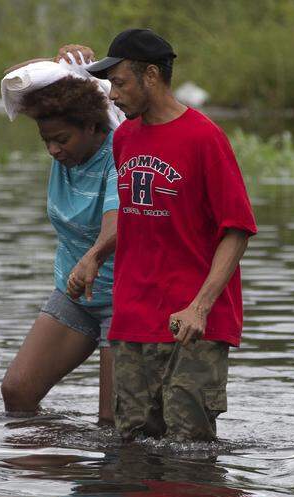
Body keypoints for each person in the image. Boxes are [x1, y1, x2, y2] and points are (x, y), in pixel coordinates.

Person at [56, 29, 257, 442]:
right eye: (110, 83)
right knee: (132, 447)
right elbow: (134, 215)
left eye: (120, 82)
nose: (112, 95)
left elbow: (236, 230)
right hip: (132, 320)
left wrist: (199, 306)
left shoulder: (204, 138)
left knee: (190, 450)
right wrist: (95, 255)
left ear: (151, 75)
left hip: (191, 323)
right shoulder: (124, 138)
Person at [0, 68, 120, 422]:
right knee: (18, 391)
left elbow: (117, 225)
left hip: (123, 300)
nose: (53, 149)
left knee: (112, 420)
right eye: (46, 140)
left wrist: (93, 258)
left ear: (91, 126)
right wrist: (68, 66)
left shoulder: (121, 151)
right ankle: (51, 464)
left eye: (62, 139)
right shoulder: (66, 155)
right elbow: (18, 80)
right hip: (76, 293)